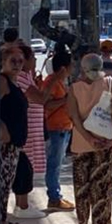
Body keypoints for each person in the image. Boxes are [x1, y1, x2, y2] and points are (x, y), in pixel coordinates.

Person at [67, 53, 112, 224]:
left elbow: (73, 117)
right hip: (105, 141)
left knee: (81, 183)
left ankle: (82, 223)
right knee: (102, 184)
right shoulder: (109, 83)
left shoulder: (74, 88)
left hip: (80, 143)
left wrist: (88, 138)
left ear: (83, 68)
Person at [12, 45, 48, 219]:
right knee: (24, 168)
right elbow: (40, 98)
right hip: (25, 132)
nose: (34, 60)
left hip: (31, 130)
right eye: (32, 57)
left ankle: (22, 203)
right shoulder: (20, 77)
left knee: (25, 168)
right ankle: (23, 205)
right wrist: (55, 79)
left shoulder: (27, 76)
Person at [0, 45, 29, 224]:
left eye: (20, 61)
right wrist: (1, 128)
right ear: (3, 62)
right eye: (13, 61)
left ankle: (2, 220)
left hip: (15, 143)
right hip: (4, 144)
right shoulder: (2, 81)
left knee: (6, 184)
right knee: (0, 184)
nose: (17, 64)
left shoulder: (15, 83)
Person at [41, 51, 75, 210]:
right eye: (70, 65)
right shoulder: (51, 82)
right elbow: (47, 104)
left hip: (65, 126)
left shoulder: (61, 82)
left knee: (58, 163)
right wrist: (65, 100)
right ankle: (54, 197)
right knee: (54, 164)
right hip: (56, 127)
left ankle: (56, 194)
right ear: (63, 67)